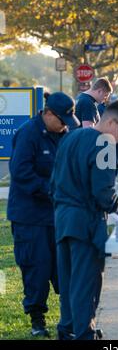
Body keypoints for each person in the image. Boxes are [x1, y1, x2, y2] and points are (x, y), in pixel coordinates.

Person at [51, 101, 118, 340]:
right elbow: (103, 190)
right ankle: (83, 333)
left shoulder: (71, 137)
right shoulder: (107, 144)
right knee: (86, 284)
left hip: (63, 218)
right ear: (111, 123)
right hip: (86, 221)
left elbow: (54, 180)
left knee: (68, 282)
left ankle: (67, 329)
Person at [7, 92, 80, 337]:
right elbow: (21, 172)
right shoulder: (28, 134)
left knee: (64, 270)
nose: (64, 126)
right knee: (36, 268)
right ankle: (37, 321)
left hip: (58, 215)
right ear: (47, 114)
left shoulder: (65, 134)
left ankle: (69, 320)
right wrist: (53, 189)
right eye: (61, 120)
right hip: (30, 216)